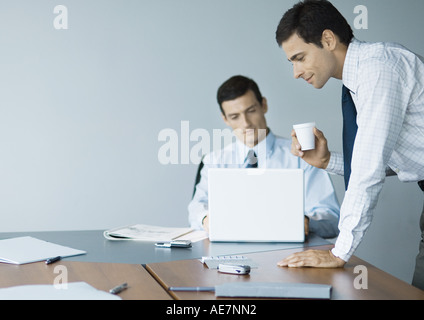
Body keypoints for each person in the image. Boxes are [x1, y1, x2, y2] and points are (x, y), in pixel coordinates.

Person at [274, 0, 424, 290]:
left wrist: (338, 251)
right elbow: (390, 160)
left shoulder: (378, 69)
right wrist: (327, 161)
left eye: (300, 57)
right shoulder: (360, 80)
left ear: (328, 39)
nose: (296, 72)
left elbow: (368, 170)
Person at [188, 75, 340, 239]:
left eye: (251, 111)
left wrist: (307, 222)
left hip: (289, 254)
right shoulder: (214, 161)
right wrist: (205, 219)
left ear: (263, 105)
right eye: (235, 116)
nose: (246, 123)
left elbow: (332, 220)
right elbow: (196, 208)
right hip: (229, 253)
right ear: (225, 119)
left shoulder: (302, 155)